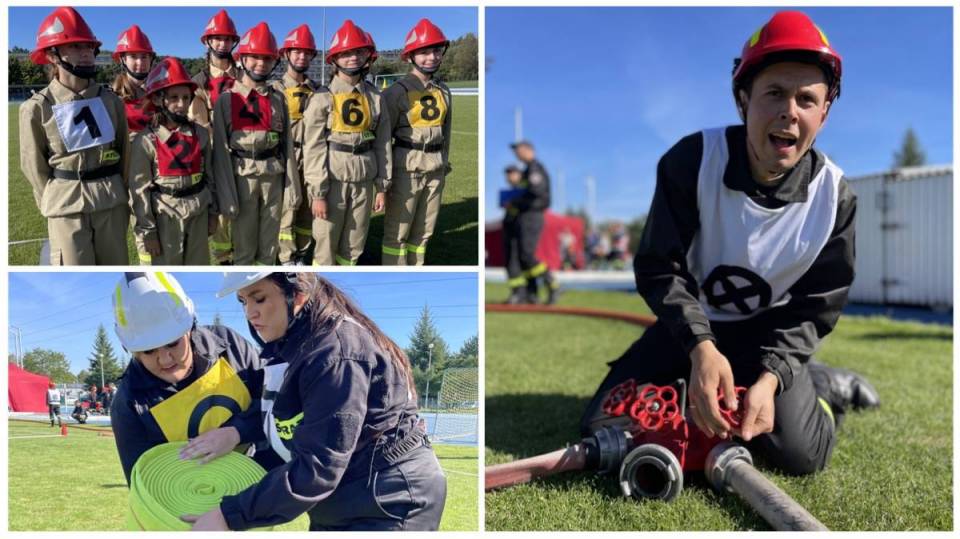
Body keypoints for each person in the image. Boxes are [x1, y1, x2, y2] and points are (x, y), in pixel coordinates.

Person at [580, 11, 879, 476]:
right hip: (692, 329)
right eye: (774, 93)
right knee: (601, 427)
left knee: (801, 457)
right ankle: (696, 377)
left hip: (768, 337)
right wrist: (700, 346)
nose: (789, 112)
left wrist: (774, 374)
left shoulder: (835, 198)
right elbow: (660, 267)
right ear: (743, 100)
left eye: (806, 99)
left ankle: (821, 384)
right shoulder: (692, 162)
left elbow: (816, 306)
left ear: (824, 112)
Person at [183, 272, 446, 530]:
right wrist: (236, 431)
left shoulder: (335, 354)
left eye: (259, 299)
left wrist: (229, 515)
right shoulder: (293, 347)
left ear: (297, 294)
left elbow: (320, 465)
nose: (250, 313)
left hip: (387, 502)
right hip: (346, 499)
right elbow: (287, 411)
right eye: (243, 301)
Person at [109, 272, 271, 485]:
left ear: (190, 328)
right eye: (148, 351)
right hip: (188, 504)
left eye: (173, 343)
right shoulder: (128, 403)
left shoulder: (230, 346)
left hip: (253, 488)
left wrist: (236, 432)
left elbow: (275, 409)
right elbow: (143, 483)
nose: (165, 359)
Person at [19, 6, 129, 265]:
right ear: (52, 54)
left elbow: (125, 154)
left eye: (90, 47)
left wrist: (116, 192)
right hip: (66, 208)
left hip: (110, 204)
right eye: (76, 47)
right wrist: (59, 196)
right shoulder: (36, 108)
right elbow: (34, 167)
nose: (87, 54)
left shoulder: (111, 102)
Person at [302, 20, 391, 266]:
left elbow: (382, 143)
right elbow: (314, 148)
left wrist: (382, 186)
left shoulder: (375, 97)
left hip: (364, 179)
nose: (353, 58)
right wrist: (318, 193)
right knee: (326, 242)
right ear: (335, 59)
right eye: (346, 53)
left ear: (367, 56)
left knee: (355, 242)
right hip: (332, 182)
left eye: (358, 52)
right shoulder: (322, 98)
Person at [212, 22, 300, 266]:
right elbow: (220, 152)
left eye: (267, 59)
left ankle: (267, 275)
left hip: (273, 176)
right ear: (242, 59)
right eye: (254, 57)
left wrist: (293, 186)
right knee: (244, 243)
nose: (261, 64)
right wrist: (226, 195)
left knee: (269, 243)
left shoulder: (278, 99)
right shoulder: (226, 100)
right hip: (243, 178)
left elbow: (287, 146)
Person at [128, 58, 218, 265]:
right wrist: (148, 231)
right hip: (165, 216)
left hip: (198, 211)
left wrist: (213, 214)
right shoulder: (146, 140)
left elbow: (210, 177)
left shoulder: (201, 135)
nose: (182, 105)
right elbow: (139, 190)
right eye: (174, 98)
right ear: (159, 100)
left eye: (186, 98)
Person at [381, 18, 453, 266]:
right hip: (406, 169)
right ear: (410, 56)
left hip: (435, 168)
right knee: (397, 233)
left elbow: (447, 131)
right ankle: (394, 271)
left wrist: (444, 160)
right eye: (424, 52)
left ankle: (416, 267)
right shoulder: (394, 93)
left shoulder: (443, 91)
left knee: (424, 232)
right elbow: (383, 139)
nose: (431, 57)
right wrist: (384, 178)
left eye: (436, 51)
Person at [190, 9, 241, 265]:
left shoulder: (244, 77)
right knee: (220, 212)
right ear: (208, 42)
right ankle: (224, 258)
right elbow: (198, 123)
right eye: (217, 38)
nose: (223, 44)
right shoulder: (198, 82)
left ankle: (245, 254)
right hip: (214, 155)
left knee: (246, 208)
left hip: (244, 155)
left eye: (227, 39)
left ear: (234, 42)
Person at [271, 25, 322, 265]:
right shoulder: (275, 90)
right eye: (296, 52)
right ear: (286, 54)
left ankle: (301, 253)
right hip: (286, 158)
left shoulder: (319, 91)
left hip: (312, 158)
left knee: (306, 211)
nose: (301, 57)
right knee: (287, 211)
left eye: (306, 53)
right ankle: (285, 257)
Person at [504, 141, 559, 304]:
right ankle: (532, 291)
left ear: (528, 151)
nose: (516, 155)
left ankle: (552, 283)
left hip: (532, 215)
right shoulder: (528, 170)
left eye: (518, 151)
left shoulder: (535, 169)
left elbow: (537, 192)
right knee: (523, 257)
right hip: (525, 215)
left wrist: (517, 200)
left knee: (527, 255)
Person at [501, 165, 528, 304]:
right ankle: (517, 292)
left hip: (518, 231)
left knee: (514, 263)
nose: (508, 178)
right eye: (507, 175)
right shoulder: (513, 191)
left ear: (518, 174)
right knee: (509, 263)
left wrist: (512, 204)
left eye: (511, 174)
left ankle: (519, 293)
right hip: (509, 230)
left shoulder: (523, 191)